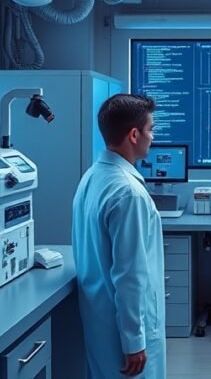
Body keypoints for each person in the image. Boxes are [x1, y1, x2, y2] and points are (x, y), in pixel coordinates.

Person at [72, 94, 166, 378]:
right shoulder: (128, 193)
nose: (153, 137)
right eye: (150, 129)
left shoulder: (93, 176)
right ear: (134, 134)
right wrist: (134, 340)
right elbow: (130, 274)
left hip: (101, 322)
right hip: (126, 330)